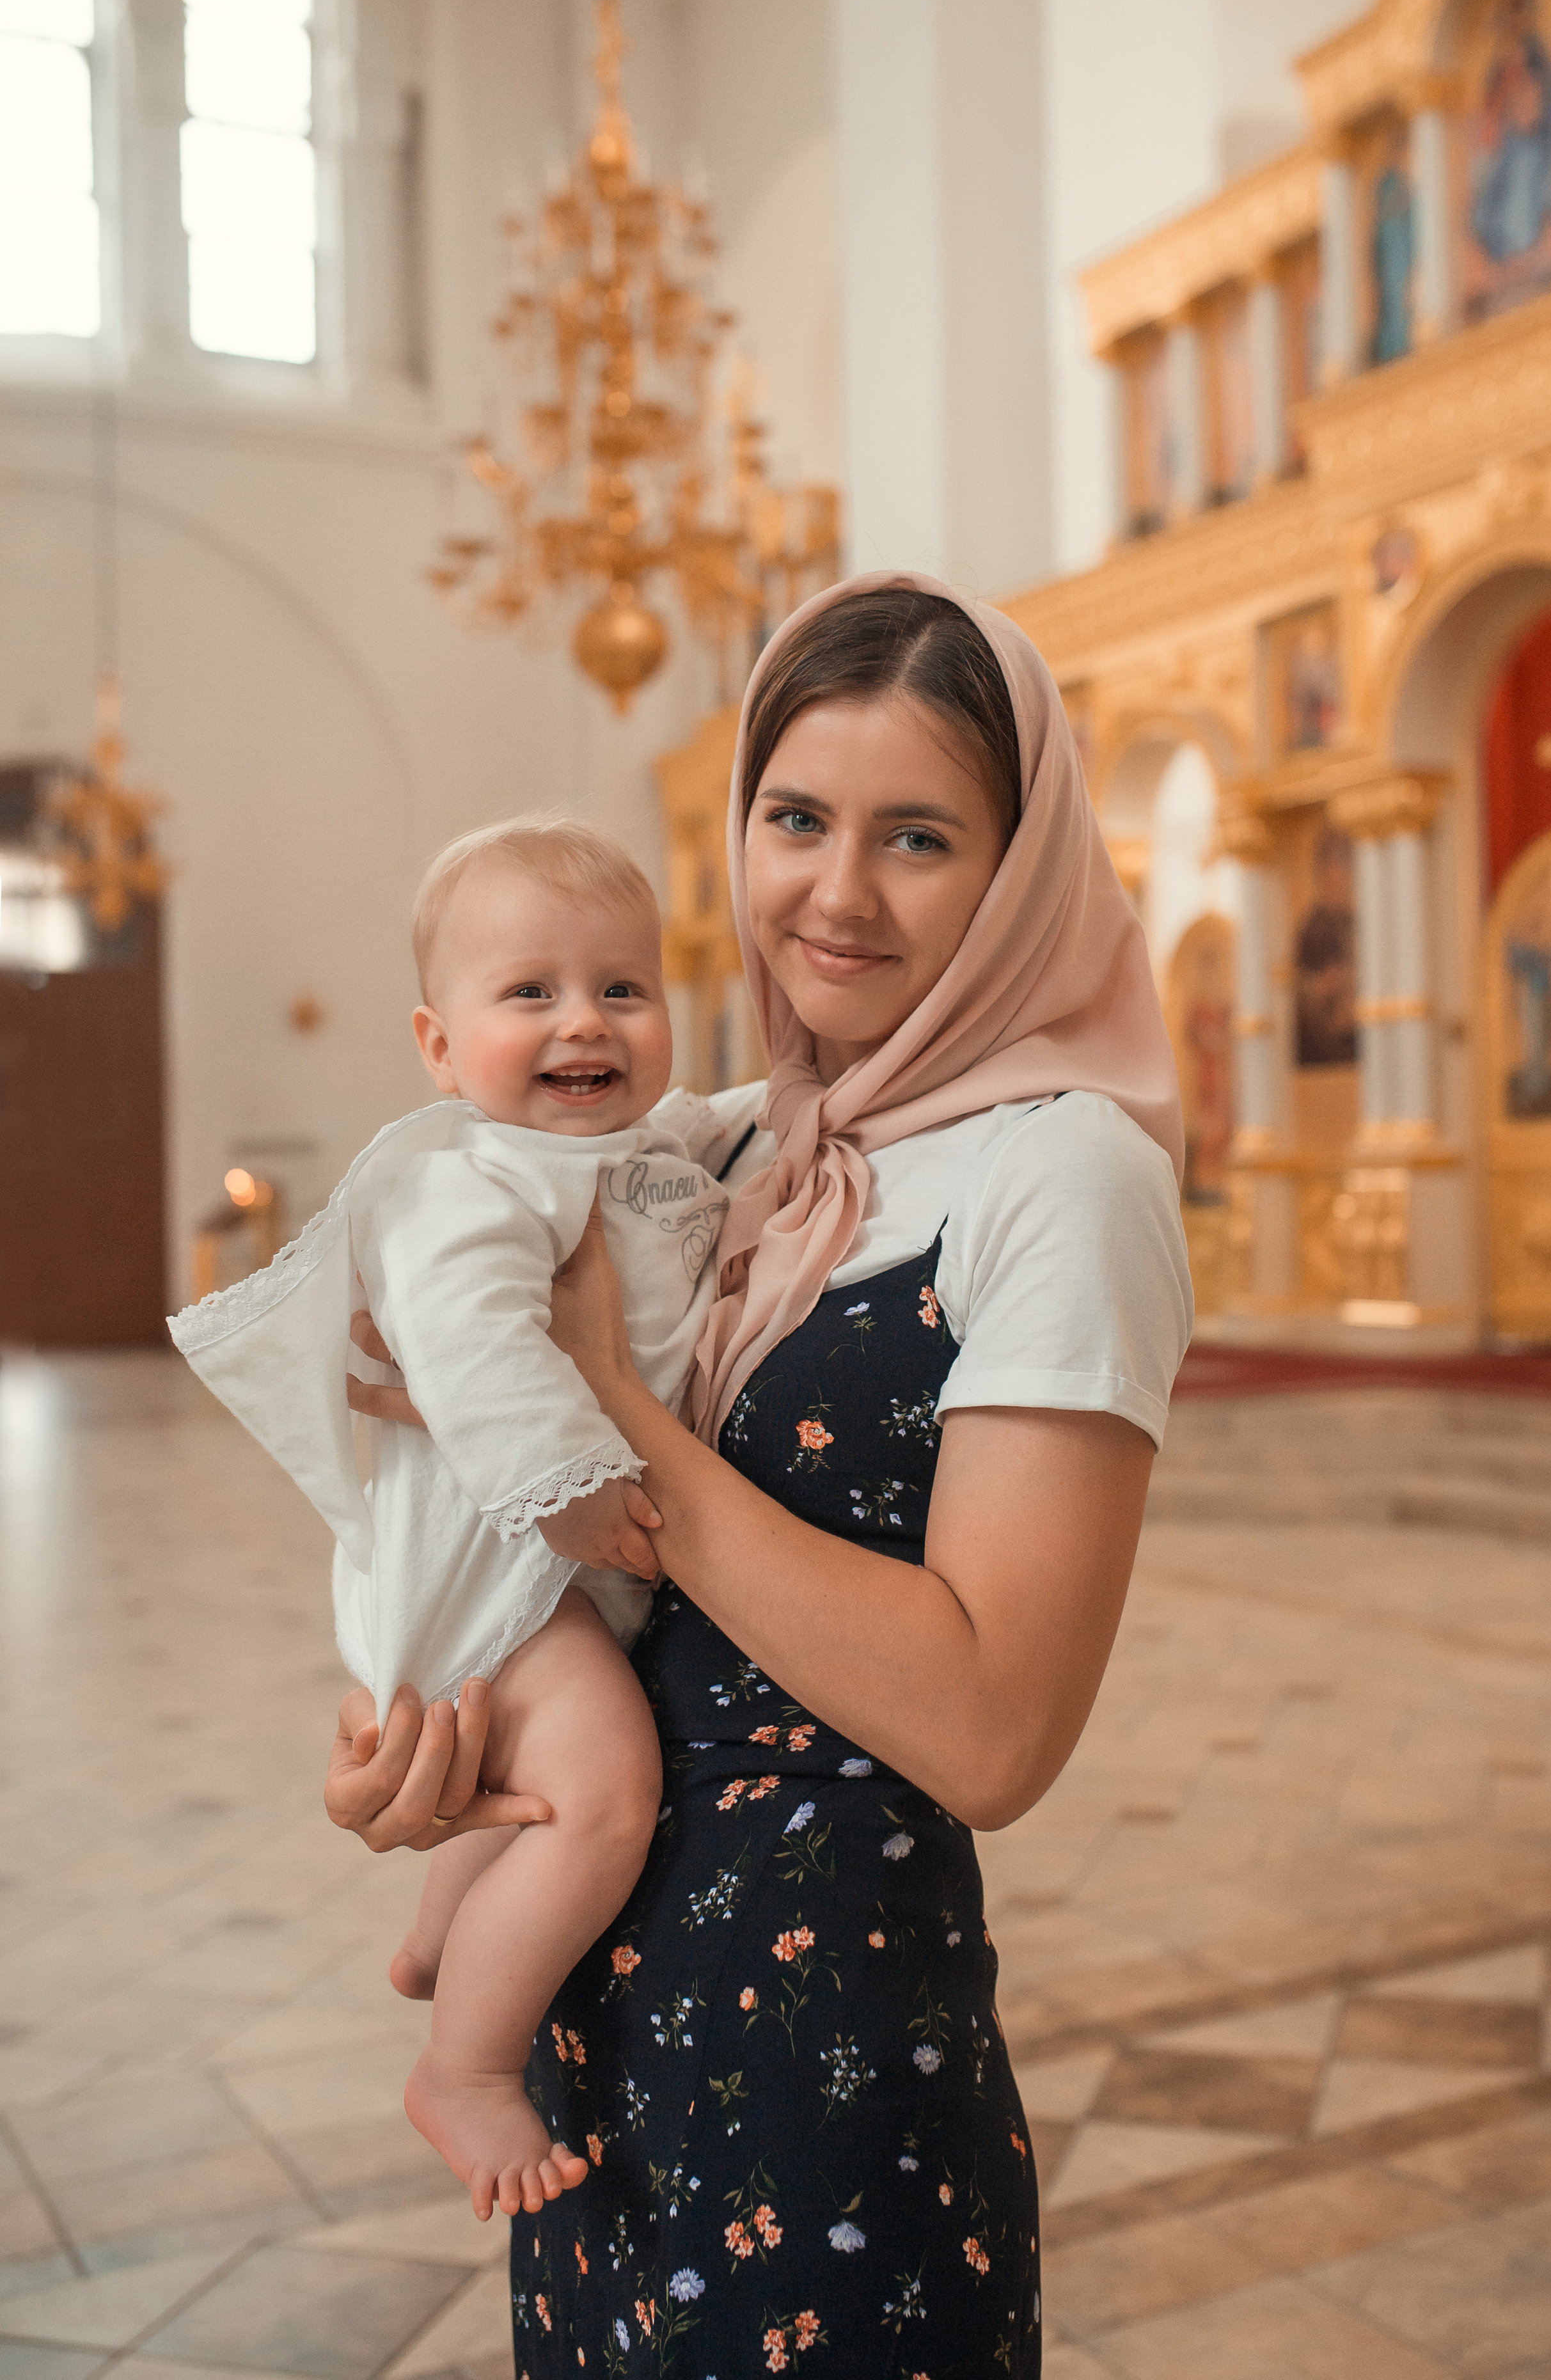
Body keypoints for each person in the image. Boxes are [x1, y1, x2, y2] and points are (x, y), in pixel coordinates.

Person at [336, 575, 1192, 2376]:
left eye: (920, 837)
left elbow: (993, 1733)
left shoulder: (1067, 1176)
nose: (836, 892)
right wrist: (432, 1748)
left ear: (1021, 867)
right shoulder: (707, 1145)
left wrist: (607, 1414)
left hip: (824, 2046)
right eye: (795, 819)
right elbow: (451, 1453)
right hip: (592, 2026)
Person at [172, 816, 756, 2221]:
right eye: (531, 994)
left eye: (624, 989)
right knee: (605, 1791)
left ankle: (446, 1929)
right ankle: (468, 2067)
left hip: (540, 1562)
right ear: (439, 1047)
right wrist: (563, 1490)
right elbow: (467, 1341)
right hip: (498, 1558)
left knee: (545, 1774)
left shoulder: (630, 1145)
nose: (586, 1024)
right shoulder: (464, 1179)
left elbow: (713, 1130)